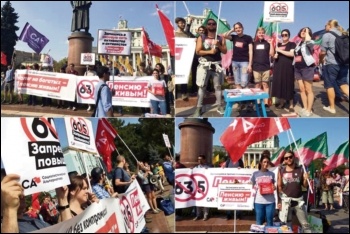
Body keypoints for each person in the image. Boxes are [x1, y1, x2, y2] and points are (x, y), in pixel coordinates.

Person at [193, 18, 227, 117]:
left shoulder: (220, 38)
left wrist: (219, 45)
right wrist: (210, 52)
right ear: (207, 25)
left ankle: (220, 105)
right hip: (205, 65)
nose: (211, 25)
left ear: (216, 26)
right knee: (202, 87)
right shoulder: (201, 37)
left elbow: (225, 51)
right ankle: (198, 108)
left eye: (213, 24)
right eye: (209, 24)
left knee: (218, 86)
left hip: (216, 65)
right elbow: (198, 51)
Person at [320, 19, 349, 114]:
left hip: (332, 64)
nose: (325, 27)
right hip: (344, 63)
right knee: (344, 84)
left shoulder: (327, 35)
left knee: (329, 85)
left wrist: (320, 60)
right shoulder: (344, 34)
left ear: (329, 25)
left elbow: (323, 52)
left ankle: (332, 108)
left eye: (325, 25)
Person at [277, 151, 311, 233]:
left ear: (294, 157)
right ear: (284, 160)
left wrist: (306, 179)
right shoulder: (281, 171)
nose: (288, 159)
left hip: (298, 201)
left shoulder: (300, 170)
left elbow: (305, 185)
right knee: (286, 225)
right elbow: (279, 186)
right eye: (286, 158)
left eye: (290, 157)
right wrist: (279, 200)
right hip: (286, 201)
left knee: (305, 225)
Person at [271, 29, 296, 112]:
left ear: (289, 35)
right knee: (280, 85)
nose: (284, 36)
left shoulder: (292, 44)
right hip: (278, 67)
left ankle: (291, 104)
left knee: (289, 84)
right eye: (283, 35)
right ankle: (282, 103)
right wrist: (275, 55)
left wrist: (280, 50)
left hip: (288, 67)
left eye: (286, 35)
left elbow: (291, 54)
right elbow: (274, 55)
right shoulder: (278, 44)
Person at [294, 27, 316, 117]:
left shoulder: (310, 42)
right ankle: (305, 107)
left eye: (305, 31)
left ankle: (309, 109)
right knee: (302, 89)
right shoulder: (298, 43)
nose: (303, 32)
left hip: (307, 68)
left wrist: (307, 33)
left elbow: (310, 42)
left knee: (308, 89)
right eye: (302, 30)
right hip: (297, 68)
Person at [223, 22, 253, 90]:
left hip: (244, 62)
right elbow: (224, 35)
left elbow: (250, 51)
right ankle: (239, 98)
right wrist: (232, 30)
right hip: (235, 62)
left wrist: (250, 64)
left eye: (239, 27)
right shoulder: (234, 37)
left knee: (244, 81)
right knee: (237, 81)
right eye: (236, 28)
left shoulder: (248, 38)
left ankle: (245, 99)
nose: (238, 29)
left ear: (242, 28)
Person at [252, 27, 274, 112]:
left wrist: (271, 43)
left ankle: (265, 103)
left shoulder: (267, 43)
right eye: (259, 32)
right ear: (257, 34)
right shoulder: (254, 43)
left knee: (265, 85)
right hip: (256, 67)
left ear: (264, 34)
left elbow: (271, 54)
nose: (261, 34)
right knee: (257, 86)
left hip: (266, 67)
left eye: (262, 33)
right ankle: (257, 103)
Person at [251, 153, 276, 226]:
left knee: (270, 223)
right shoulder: (255, 174)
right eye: (264, 162)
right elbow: (250, 185)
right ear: (260, 163)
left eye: (268, 162)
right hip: (258, 202)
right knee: (259, 223)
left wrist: (274, 187)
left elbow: (274, 185)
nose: (266, 163)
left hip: (270, 202)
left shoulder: (272, 174)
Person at [175, 17, 191, 101]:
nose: (183, 24)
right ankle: (176, 93)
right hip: (177, 56)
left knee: (184, 75)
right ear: (177, 24)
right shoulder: (175, 33)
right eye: (181, 23)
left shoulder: (186, 34)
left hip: (185, 56)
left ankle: (184, 93)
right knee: (177, 76)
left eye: (184, 23)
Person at [223, 156, 244, 220]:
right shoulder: (228, 161)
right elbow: (224, 170)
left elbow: (244, 171)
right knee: (229, 198)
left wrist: (241, 169)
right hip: (229, 183)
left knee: (238, 198)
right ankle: (229, 215)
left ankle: (238, 215)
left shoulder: (240, 161)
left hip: (238, 183)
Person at [193, 154, 210, 221]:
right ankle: (198, 215)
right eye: (198, 159)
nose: (199, 161)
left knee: (205, 202)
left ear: (204, 160)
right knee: (198, 202)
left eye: (200, 159)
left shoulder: (208, 167)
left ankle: (205, 215)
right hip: (198, 188)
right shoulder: (196, 168)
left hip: (206, 187)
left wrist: (208, 170)